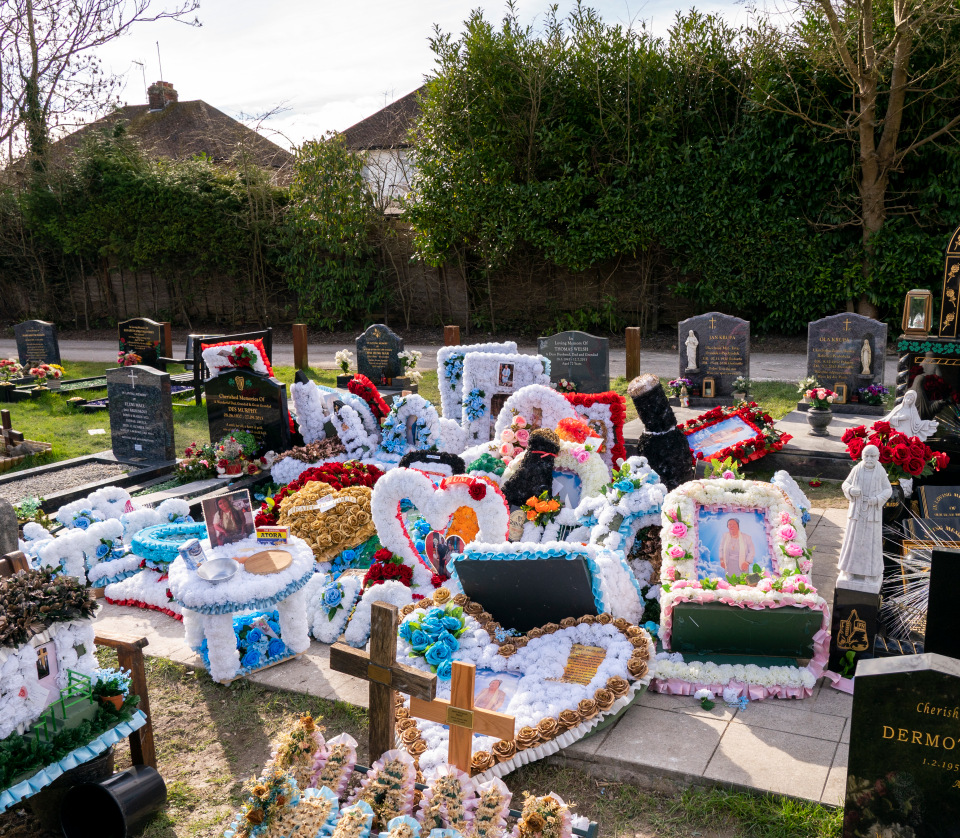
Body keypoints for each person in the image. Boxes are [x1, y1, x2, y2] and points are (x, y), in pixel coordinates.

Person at [837, 444, 892, 593]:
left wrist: (876, 499)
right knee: (853, 542)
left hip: (872, 514)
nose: (869, 459)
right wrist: (850, 490)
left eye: (872, 456)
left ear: (878, 457)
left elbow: (888, 489)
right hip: (857, 513)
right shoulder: (857, 469)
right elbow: (845, 484)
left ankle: (869, 574)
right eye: (866, 456)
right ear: (862, 456)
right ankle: (850, 571)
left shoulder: (880, 471)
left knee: (870, 544)